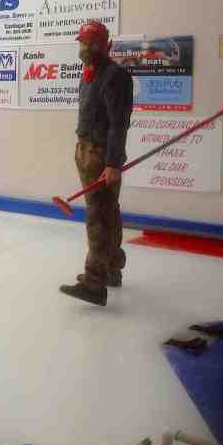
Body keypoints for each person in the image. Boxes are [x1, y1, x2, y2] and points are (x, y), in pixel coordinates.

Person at [60, 20, 133, 306]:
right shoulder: (89, 74)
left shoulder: (115, 76)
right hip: (86, 152)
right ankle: (113, 266)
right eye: (83, 42)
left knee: (97, 217)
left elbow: (119, 124)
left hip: (101, 156)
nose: (86, 47)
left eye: (93, 42)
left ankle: (94, 282)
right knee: (108, 212)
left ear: (107, 45)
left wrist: (113, 164)